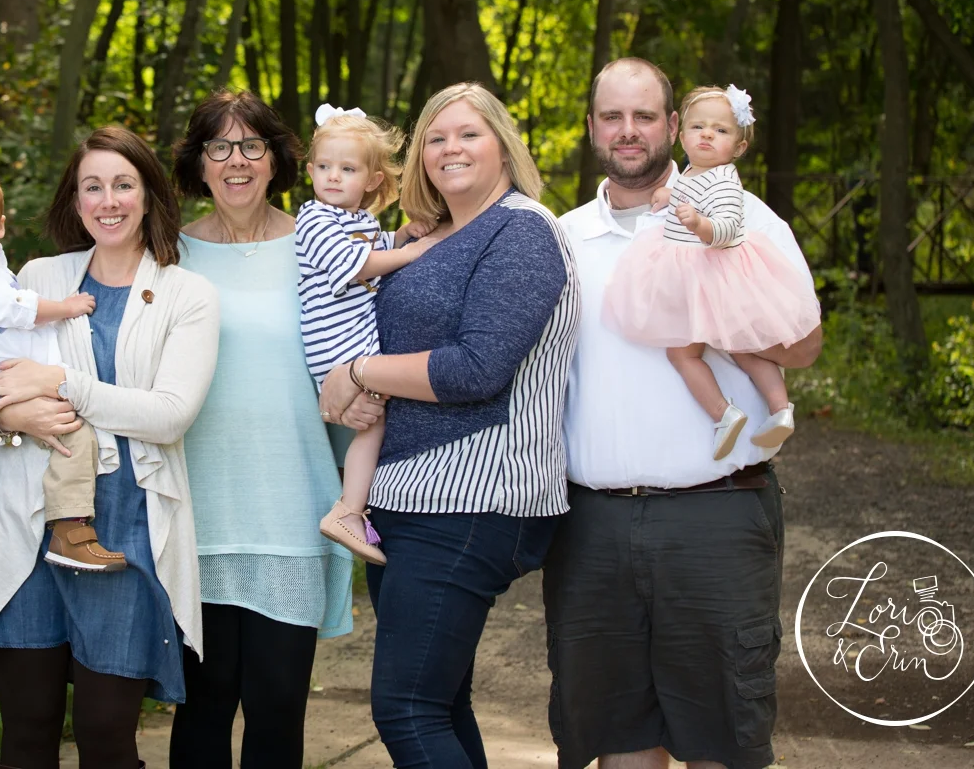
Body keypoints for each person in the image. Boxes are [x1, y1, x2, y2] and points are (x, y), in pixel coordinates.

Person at [546, 57, 822, 769]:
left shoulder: (741, 218)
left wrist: (716, 307)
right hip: (592, 526)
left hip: (718, 517)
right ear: (591, 128)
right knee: (616, 743)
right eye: (613, 116)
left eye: (644, 116)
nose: (628, 131)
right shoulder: (561, 238)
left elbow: (807, 345)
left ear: (674, 126)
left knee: (721, 742)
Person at [317, 82, 581, 768]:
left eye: (468, 134)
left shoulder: (523, 231)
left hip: (472, 496)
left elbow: (476, 369)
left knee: (404, 710)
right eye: (435, 137)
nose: (450, 149)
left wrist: (360, 373)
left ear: (503, 145)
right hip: (406, 496)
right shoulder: (435, 238)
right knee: (439, 703)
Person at [0, 126, 219, 769]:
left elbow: (169, 415)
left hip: (126, 528)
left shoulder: (188, 294)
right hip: (22, 521)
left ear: (149, 196)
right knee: (28, 728)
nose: (108, 201)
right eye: (92, 187)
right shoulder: (39, 278)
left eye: (123, 185)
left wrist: (58, 383)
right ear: (75, 202)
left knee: (106, 735)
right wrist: (3, 421)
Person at [169, 89, 354, 769]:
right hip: (197, 516)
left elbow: (356, 348)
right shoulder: (171, 253)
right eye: (220, 146)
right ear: (201, 162)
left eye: (253, 146)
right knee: (202, 707)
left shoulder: (320, 245)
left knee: (278, 709)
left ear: (277, 160)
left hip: (293, 507)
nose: (237, 160)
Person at [600, 85, 820, 459]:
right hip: (700, 273)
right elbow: (688, 192)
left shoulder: (724, 181)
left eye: (720, 130)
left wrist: (699, 224)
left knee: (696, 353)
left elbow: (728, 227)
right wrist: (672, 197)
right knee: (740, 347)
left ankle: (731, 412)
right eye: (698, 127)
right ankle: (776, 409)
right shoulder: (695, 175)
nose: (706, 134)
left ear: (739, 147)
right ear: (680, 134)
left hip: (709, 272)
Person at [0, 165, 127, 573]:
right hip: (7, 382)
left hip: (7, 380)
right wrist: (68, 306)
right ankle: (70, 531)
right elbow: (20, 311)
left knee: (68, 438)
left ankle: (66, 526)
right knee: (75, 435)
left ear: (1, 225)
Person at [295, 104, 434, 564]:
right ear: (310, 171)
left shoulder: (358, 221)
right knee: (373, 423)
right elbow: (360, 266)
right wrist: (416, 253)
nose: (333, 177)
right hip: (336, 341)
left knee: (375, 422)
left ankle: (354, 508)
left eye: (348, 168)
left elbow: (374, 246)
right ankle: (349, 510)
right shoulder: (314, 219)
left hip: (352, 335)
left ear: (373, 179)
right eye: (325, 167)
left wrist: (402, 236)